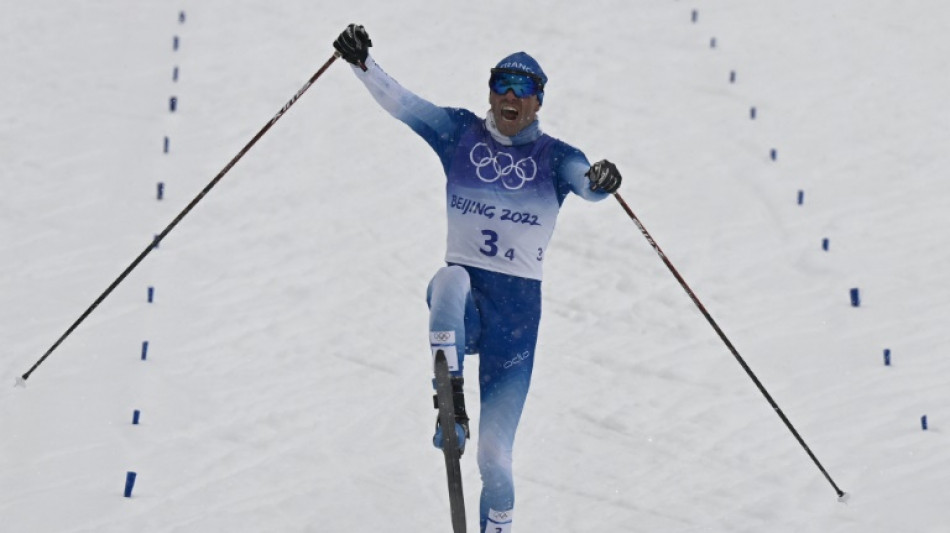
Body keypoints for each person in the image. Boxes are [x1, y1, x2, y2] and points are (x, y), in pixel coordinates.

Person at [333, 24, 622, 533]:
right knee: (448, 282)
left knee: (497, 465)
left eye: (524, 88)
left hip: (516, 323)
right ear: (490, 91)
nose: (511, 96)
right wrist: (362, 63)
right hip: (465, 303)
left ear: (538, 102)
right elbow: (404, 103)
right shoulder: (459, 133)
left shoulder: (555, 157)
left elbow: (587, 183)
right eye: (502, 85)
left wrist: (602, 180)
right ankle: (452, 404)